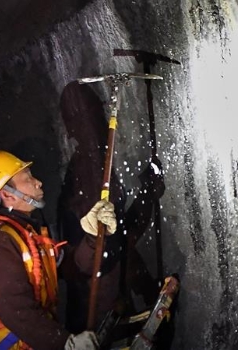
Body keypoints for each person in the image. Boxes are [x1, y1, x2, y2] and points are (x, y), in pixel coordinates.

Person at [0, 150, 117, 350]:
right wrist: (65, 344)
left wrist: (93, 237)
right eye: (28, 178)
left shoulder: (29, 236)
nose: (38, 182)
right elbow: (16, 311)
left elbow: (73, 268)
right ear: (7, 195)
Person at [58, 82, 166, 334]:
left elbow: (119, 234)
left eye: (98, 110)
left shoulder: (95, 160)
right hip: (97, 309)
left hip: (105, 300)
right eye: (91, 113)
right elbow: (112, 244)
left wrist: (147, 195)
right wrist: (146, 287)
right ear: (73, 125)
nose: (100, 118)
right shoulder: (88, 168)